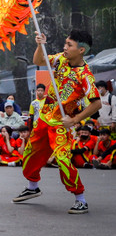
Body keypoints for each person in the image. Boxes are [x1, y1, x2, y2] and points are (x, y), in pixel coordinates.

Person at [13, 30, 102, 214]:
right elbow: (39, 61)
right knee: (31, 153)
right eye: (65, 43)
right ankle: (32, 186)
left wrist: (75, 120)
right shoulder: (61, 59)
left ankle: (80, 199)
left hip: (62, 125)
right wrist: (40, 45)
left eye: (69, 45)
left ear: (82, 50)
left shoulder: (85, 76)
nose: (65, 47)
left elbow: (97, 103)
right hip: (44, 118)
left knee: (62, 160)